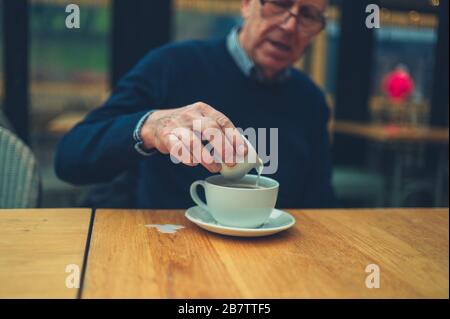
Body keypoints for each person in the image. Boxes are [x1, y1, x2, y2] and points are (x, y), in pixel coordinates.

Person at [55, 0, 337, 209]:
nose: (289, 25)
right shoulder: (172, 65)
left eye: (308, 15)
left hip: (272, 258)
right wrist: (149, 127)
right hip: (169, 248)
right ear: (247, 5)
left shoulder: (310, 99)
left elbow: (321, 202)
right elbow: (70, 158)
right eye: (279, 4)